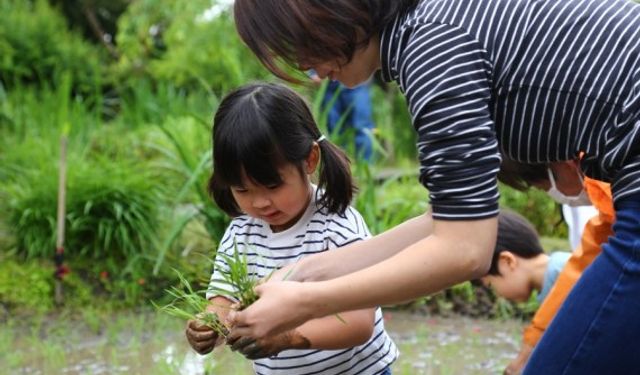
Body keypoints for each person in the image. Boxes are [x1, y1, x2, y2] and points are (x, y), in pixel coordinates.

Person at [230, 1, 640, 373]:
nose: (309, 70)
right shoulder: (433, 27)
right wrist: (302, 274)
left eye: (302, 44)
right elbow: (445, 223)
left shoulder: (433, 47)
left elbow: (465, 250)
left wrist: (302, 304)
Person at [184, 82, 398, 375]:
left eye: (273, 185)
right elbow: (223, 301)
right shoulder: (241, 232)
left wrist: (288, 338)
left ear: (309, 159)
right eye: (242, 189)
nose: (260, 203)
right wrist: (210, 325)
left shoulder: (336, 224)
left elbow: (358, 323)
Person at [497, 158, 615, 374]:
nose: (551, 194)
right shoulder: (606, 194)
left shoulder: (615, 184)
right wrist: (531, 344)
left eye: (543, 187)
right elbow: (583, 261)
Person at [479, 210, 570, 304]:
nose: (497, 295)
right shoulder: (550, 285)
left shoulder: (565, 273)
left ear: (507, 261)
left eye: (490, 285)